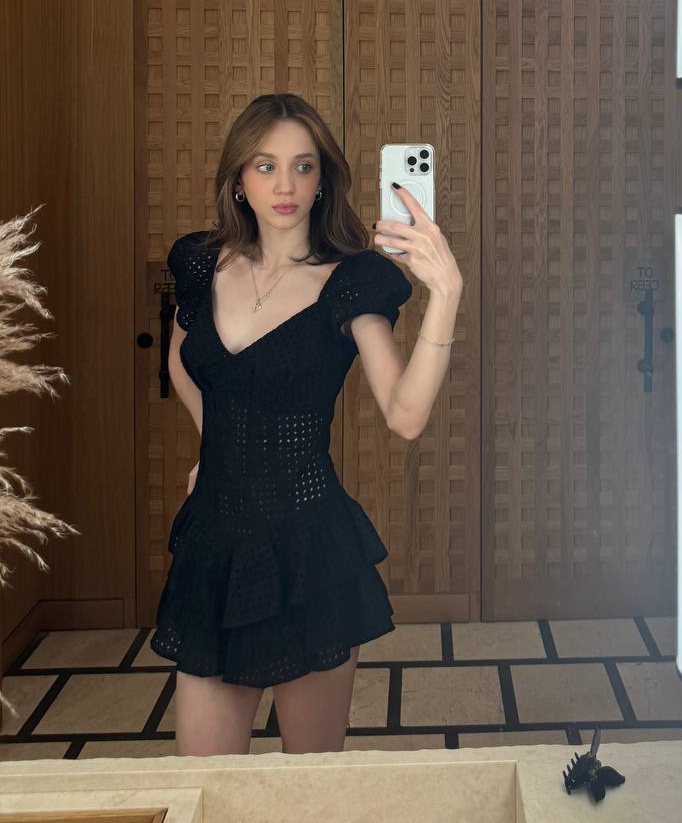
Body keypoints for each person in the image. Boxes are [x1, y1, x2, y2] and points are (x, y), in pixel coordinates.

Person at [151, 93, 463, 756]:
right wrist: (217, 445)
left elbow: (406, 415)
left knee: (312, 786)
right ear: (239, 180)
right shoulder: (201, 264)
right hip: (215, 547)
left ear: (323, 180)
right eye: (266, 166)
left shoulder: (352, 281)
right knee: (205, 785)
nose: (285, 185)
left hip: (309, 548)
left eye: (303, 166)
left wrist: (446, 293)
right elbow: (182, 360)